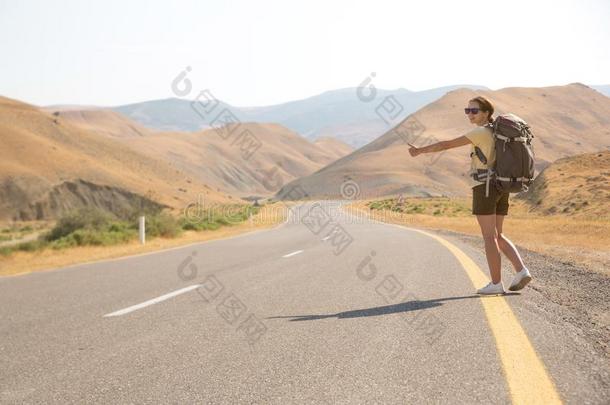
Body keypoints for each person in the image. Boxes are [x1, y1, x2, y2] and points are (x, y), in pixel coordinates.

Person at [407, 96, 532, 295]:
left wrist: (420, 151)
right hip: (501, 186)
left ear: (486, 113)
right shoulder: (496, 132)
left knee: (489, 237)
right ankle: (521, 271)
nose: (469, 114)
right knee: (498, 234)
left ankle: (496, 283)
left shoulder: (481, 132)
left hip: (485, 187)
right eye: (467, 110)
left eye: (474, 111)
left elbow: (447, 145)